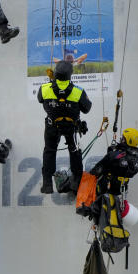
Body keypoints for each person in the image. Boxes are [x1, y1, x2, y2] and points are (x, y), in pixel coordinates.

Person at [37, 60, 93, 193]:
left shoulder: (44, 88)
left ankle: (47, 184)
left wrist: (52, 84)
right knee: (74, 151)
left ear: (55, 73)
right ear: (70, 75)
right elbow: (87, 108)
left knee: (49, 151)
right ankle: (76, 181)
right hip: (71, 127)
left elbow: (40, 99)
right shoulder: (78, 91)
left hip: (52, 126)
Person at [89, 127, 138, 196]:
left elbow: (99, 168)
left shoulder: (114, 155)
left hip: (105, 187)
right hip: (120, 189)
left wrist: (90, 174)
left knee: (89, 161)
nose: (121, 139)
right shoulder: (136, 160)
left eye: (123, 138)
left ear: (127, 141)